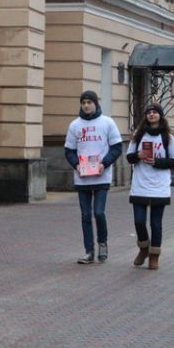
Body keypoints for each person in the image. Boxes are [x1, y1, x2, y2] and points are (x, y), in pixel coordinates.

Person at [64, 91, 123, 264]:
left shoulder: (107, 122)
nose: (86, 105)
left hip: (101, 177)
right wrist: (76, 165)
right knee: (85, 215)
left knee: (98, 212)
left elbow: (117, 147)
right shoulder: (75, 125)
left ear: (96, 104)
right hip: (82, 178)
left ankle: (102, 243)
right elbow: (69, 150)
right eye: (83, 102)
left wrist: (105, 163)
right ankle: (88, 251)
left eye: (89, 102)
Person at [125, 103, 174, 270]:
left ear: (160, 116)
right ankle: (143, 248)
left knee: (156, 223)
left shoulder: (167, 137)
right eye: (149, 112)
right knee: (139, 221)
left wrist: (157, 162)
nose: (151, 114)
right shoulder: (139, 134)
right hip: (140, 184)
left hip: (159, 186)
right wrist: (138, 155)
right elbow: (129, 157)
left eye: (155, 112)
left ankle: (154, 255)